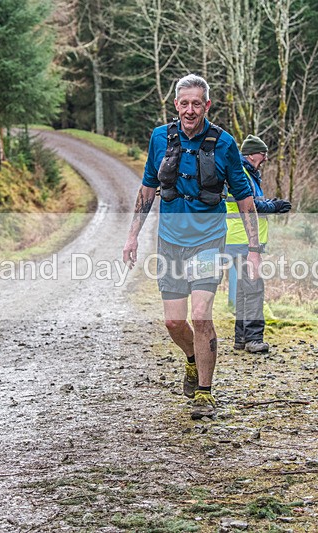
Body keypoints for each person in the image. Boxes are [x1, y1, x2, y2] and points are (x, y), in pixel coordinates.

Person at [123, 74, 262, 420]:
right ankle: (191, 359)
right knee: (174, 323)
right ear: (176, 105)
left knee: (201, 315)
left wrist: (255, 249)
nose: (189, 110)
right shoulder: (159, 138)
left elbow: (245, 200)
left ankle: (204, 392)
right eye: (184, 103)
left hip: (207, 243)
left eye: (196, 103)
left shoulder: (225, 144)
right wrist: (132, 236)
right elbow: (147, 191)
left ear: (207, 106)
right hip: (170, 242)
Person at [225, 135, 292, 353]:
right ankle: (254, 339)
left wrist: (271, 203)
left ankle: (241, 338)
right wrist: (275, 206)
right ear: (253, 154)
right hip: (243, 240)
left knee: (245, 289)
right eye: (263, 153)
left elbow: (255, 201)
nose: (265, 157)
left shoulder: (246, 174)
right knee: (254, 287)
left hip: (237, 240)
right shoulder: (242, 174)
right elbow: (251, 206)